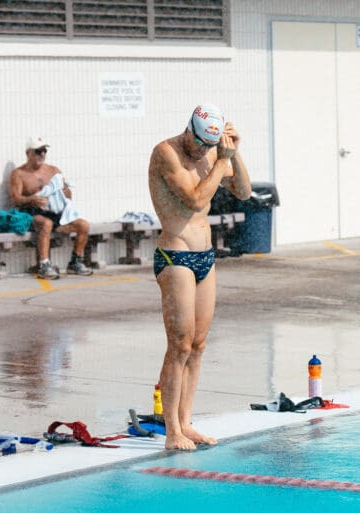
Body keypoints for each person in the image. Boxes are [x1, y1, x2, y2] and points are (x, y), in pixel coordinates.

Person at [148, 104, 251, 450]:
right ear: (188, 128)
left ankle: (187, 422)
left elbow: (243, 192)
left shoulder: (211, 156)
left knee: (198, 344)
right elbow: (193, 199)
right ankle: (172, 430)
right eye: (200, 143)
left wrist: (234, 154)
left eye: (210, 145)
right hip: (174, 255)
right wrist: (221, 160)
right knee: (179, 344)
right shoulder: (166, 153)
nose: (202, 151)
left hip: (205, 257)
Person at [8, 136, 94, 279]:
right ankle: (44, 264)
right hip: (32, 211)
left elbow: (68, 195)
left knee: (83, 225)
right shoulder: (19, 174)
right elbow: (15, 199)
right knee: (45, 224)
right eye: (38, 151)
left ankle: (75, 261)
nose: (42, 154)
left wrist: (64, 190)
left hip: (56, 212)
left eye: (44, 151)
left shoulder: (53, 171)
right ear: (28, 153)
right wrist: (32, 199)